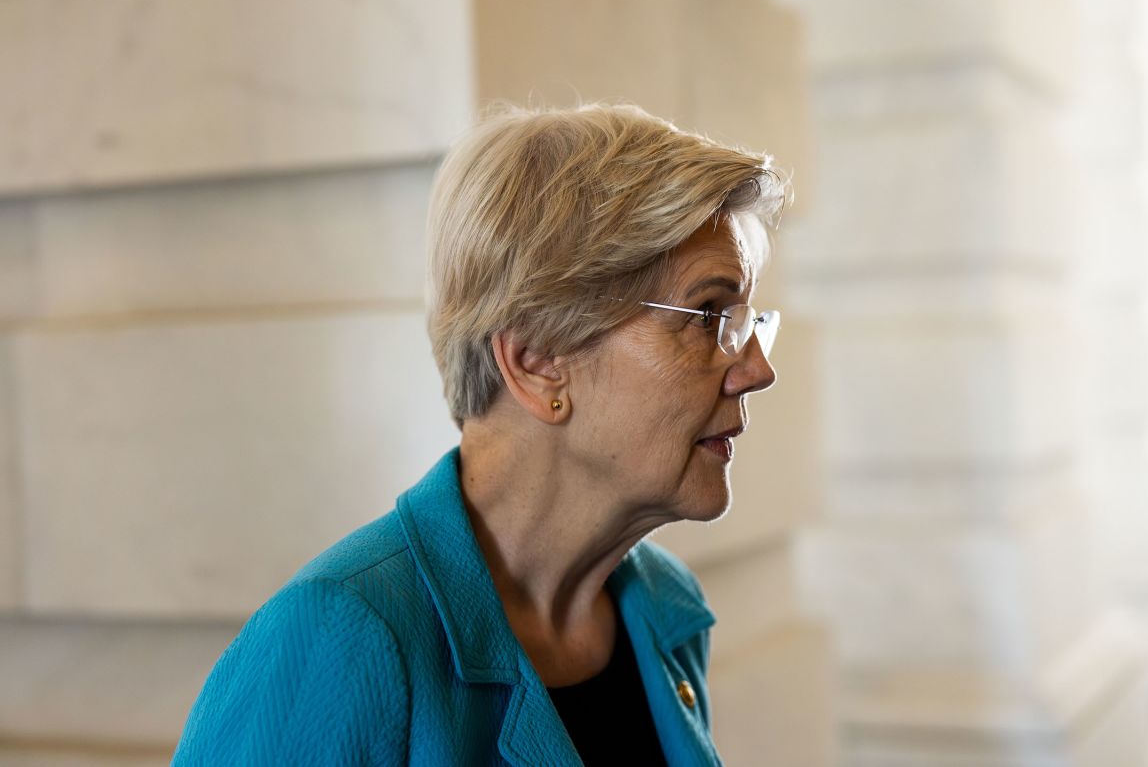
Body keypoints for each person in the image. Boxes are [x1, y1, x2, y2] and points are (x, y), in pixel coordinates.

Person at [173, 103, 788, 766]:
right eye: (705, 316)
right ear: (536, 360)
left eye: (750, 321)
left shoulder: (662, 607)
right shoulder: (341, 636)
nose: (757, 369)